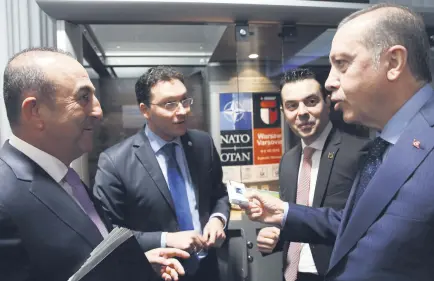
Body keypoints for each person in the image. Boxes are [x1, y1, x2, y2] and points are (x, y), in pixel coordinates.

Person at [243, 3, 434, 281]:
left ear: (393, 63)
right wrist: (284, 212)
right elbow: (353, 224)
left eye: (342, 64)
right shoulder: (383, 146)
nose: (330, 81)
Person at [0, 47, 189, 281]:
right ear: (35, 111)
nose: (98, 111)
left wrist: (135, 266)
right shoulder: (5, 197)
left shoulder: (66, 179)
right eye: (83, 98)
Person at [93, 66, 230, 281]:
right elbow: (110, 234)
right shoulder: (115, 162)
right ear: (145, 110)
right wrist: (166, 239)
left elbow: (220, 194)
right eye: (170, 104)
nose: (183, 110)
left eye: (185, 100)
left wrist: (218, 219)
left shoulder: (203, 144)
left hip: (209, 269)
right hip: (158, 273)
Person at [257, 68, 367, 281]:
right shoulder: (287, 161)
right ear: (283, 112)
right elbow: (293, 221)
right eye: (292, 106)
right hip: (293, 274)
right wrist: (275, 237)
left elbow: (360, 226)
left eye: (311, 101)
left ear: (327, 102)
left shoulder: (360, 152)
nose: (302, 112)